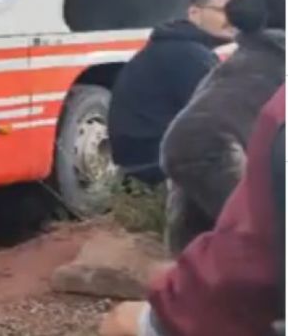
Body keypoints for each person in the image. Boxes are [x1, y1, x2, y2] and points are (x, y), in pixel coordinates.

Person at [100, 85, 286, 336]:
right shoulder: (200, 60)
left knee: (120, 325)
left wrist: (161, 318)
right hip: (165, 163)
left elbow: (245, 267)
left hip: (142, 163)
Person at [160, 0, 285, 254]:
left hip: (194, 145)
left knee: (201, 252)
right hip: (215, 149)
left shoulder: (249, 56)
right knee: (264, 247)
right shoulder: (271, 58)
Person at [107, 0, 237, 186]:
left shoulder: (174, 46)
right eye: (224, 11)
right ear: (195, 13)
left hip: (139, 165)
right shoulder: (190, 56)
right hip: (158, 169)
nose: (232, 19)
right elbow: (221, 120)